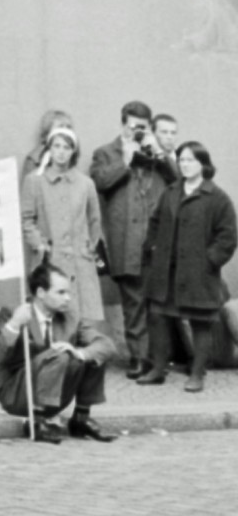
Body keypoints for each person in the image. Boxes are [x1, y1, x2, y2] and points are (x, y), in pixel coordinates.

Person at [138, 139, 237, 392]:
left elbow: (228, 236)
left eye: (191, 159)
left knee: (199, 322)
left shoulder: (217, 197)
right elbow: (155, 222)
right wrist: (152, 249)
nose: (185, 165)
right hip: (166, 271)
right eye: (181, 159)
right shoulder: (171, 191)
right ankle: (158, 369)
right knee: (158, 317)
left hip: (198, 273)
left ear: (203, 163)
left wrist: (209, 261)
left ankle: (197, 374)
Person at [0, 260, 115, 441]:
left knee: (91, 355)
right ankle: (37, 420)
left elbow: (106, 345)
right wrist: (14, 324)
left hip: (56, 397)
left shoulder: (70, 317)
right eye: (61, 292)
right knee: (60, 355)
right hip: (16, 393)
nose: (68, 298)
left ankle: (81, 418)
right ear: (40, 292)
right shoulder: (14, 312)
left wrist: (80, 353)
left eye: (68, 293)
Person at [90, 101, 171, 379]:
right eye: (133, 126)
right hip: (125, 241)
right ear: (123, 124)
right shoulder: (105, 153)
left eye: (142, 127)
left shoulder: (155, 152)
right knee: (133, 303)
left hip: (156, 241)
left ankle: (157, 359)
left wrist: (159, 152)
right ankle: (139, 358)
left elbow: (176, 182)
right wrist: (125, 159)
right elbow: (99, 182)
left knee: (157, 303)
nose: (137, 132)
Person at [20, 122, 105, 334]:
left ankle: (81, 358)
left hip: (80, 261)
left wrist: (89, 248)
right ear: (49, 149)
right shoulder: (34, 181)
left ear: (73, 151)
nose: (61, 152)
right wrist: (39, 244)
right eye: (56, 146)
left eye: (67, 147)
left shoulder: (85, 184)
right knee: (52, 312)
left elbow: (95, 220)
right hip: (50, 257)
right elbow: (26, 219)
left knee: (83, 317)